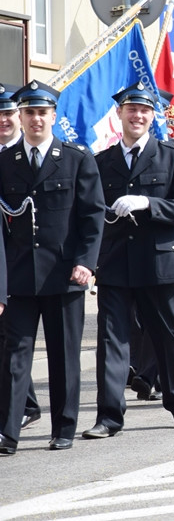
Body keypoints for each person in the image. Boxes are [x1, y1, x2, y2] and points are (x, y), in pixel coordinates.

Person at [85, 81, 174, 438]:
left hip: (156, 261)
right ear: (119, 114)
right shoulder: (101, 161)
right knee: (111, 339)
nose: (137, 115)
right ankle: (108, 416)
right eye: (131, 109)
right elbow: (88, 215)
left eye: (145, 110)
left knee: (166, 336)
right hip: (115, 262)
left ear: (154, 116)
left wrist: (149, 203)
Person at [0, 81, 105, 455]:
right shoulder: (5, 162)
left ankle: (64, 426)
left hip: (64, 274)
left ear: (53, 116)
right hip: (19, 276)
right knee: (15, 356)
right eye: (28, 112)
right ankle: (8, 432)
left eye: (42, 112)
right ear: (20, 117)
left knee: (63, 356)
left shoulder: (76, 158)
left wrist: (86, 264)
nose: (35, 119)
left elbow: (93, 217)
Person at [0, 84, 43, 433]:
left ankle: (22, 407)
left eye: (8, 114)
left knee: (13, 343)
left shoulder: (27, 155)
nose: (3, 121)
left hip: (24, 265)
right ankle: (23, 404)